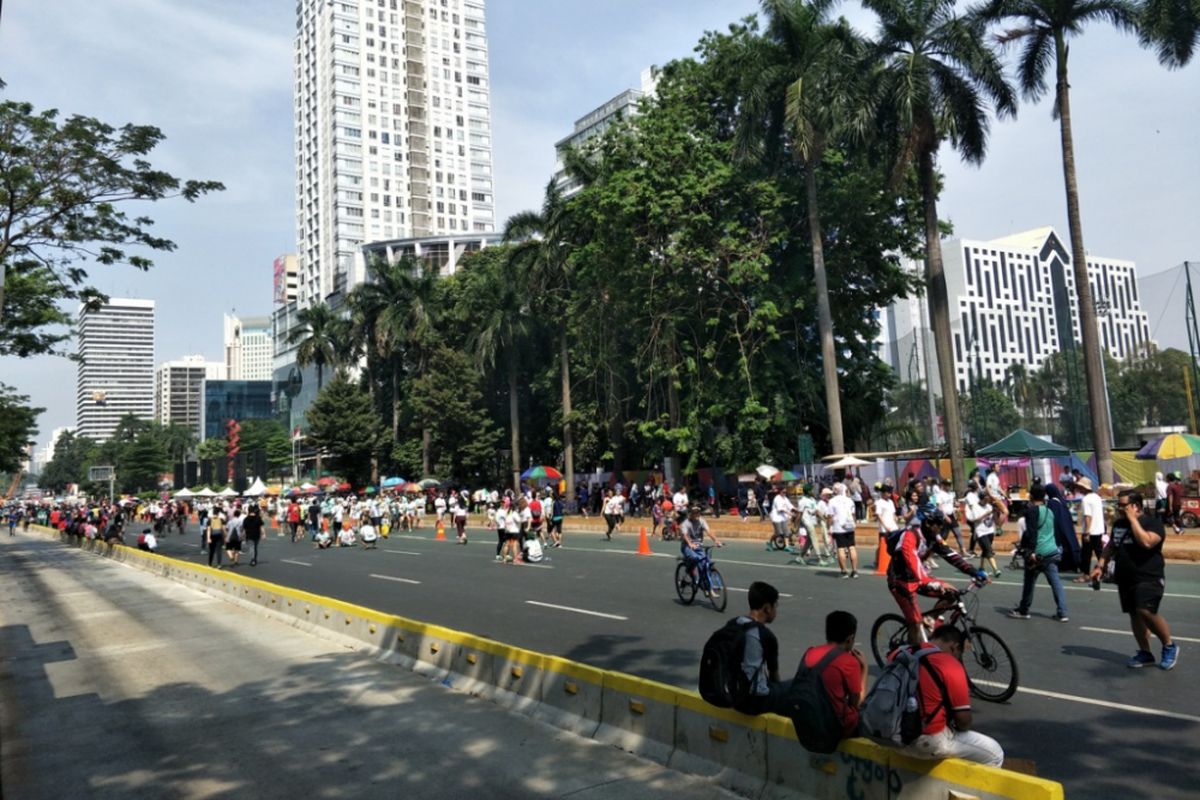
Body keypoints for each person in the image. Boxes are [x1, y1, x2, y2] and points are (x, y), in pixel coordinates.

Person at [1091, 491, 1179, 670]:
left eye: (1124, 505)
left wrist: (1133, 521)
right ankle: (1145, 653)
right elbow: (1111, 546)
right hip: (1125, 578)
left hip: (1149, 577)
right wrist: (1100, 565)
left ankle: (1169, 645)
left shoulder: (1152, 523)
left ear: (1136, 506)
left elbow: (1147, 542)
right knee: (1134, 613)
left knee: (1145, 610)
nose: (1120, 508)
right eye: (1119, 505)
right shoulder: (1118, 524)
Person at [895, 626, 1005, 767]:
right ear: (955, 647)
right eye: (959, 654)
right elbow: (963, 722)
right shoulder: (950, 664)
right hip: (925, 742)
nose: (958, 658)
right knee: (995, 753)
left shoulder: (899, 653)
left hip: (890, 736)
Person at [888, 506, 988, 646]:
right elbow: (913, 562)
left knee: (952, 594)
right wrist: (929, 582)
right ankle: (912, 655)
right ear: (928, 523)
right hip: (900, 580)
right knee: (915, 624)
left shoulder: (934, 537)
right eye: (939, 524)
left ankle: (929, 619)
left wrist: (974, 571)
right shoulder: (910, 536)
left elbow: (951, 555)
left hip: (920, 578)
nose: (941, 527)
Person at [798, 611, 869, 739]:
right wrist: (864, 669)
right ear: (850, 639)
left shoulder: (810, 652)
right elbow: (856, 703)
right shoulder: (849, 662)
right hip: (834, 729)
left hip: (807, 721)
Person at [1008, 484, 1069, 622]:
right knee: (1056, 582)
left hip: (1038, 553)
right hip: (1051, 551)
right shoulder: (1049, 511)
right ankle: (1062, 612)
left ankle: (1024, 609)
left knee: (1029, 582)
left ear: (1031, 496)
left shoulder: (1032, 512)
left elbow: (1032, 533)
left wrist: (1030, 552)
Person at [732, 581, 788, 715]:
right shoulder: (765, 635)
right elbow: (774, 676)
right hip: (753, 702)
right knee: (793, 688)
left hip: (732, 694)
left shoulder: (734, 624)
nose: (775, 610)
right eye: (775, 606)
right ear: (767, 608)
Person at [680, 506, 723, 593]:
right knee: (696, 558)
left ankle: (705, 584)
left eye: (698, 513)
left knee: (705, 562)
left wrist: (716, 541)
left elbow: (709, 531)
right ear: (691, 514)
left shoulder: (702, 521)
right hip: (687, 547)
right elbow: (685, 535)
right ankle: (692, 573)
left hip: (698, 546)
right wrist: (690, 544)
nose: (696, 515)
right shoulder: (686, 523)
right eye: (694, 513)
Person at [965, 491, 1001, 578]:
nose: (987, 500)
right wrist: (986, 514)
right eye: (985, 499)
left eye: (988, 499)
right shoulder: (975, 507)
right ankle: (995, 569)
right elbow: (974, 519)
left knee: (985, 550)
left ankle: (981, 567)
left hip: (989, 530)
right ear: (981, 499)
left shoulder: (989, 506)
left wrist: (996, 512)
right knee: (989, 550)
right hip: (981, 532)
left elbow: (994, 519)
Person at [1075, 477, 1106, 581]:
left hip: (1090, 530)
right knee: (1100, 552)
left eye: (1079, 487)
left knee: (1086, 554)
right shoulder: (1097, 497)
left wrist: (1087, 532)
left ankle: (1086, 574)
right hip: (1099, 529)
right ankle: (1105, 571)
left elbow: (1088, 517)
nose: (1078, 489)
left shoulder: (1086, 499)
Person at [828, 483, 859, 579]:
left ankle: (844, 571)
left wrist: (829, 527)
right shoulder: (849, 500)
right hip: (850, 526)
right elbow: (853, 514)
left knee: (840, 548)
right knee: (852, 547)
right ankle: (854, 571)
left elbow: (830, 516)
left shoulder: (832, 501)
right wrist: (854, 524)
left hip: (839, 527)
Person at [769, 485, 797, 551]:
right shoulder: (777, 498)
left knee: (786, 532)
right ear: (780, 492)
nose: (785, 493)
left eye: (785, 492)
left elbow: (790, 506)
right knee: (778, 533)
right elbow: (781, 509)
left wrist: (797, 510)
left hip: (783, 518)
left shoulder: (785, 498)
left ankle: (787, 546)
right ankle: (770, 543)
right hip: (776, 518)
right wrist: (790, 513)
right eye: (783, 492)